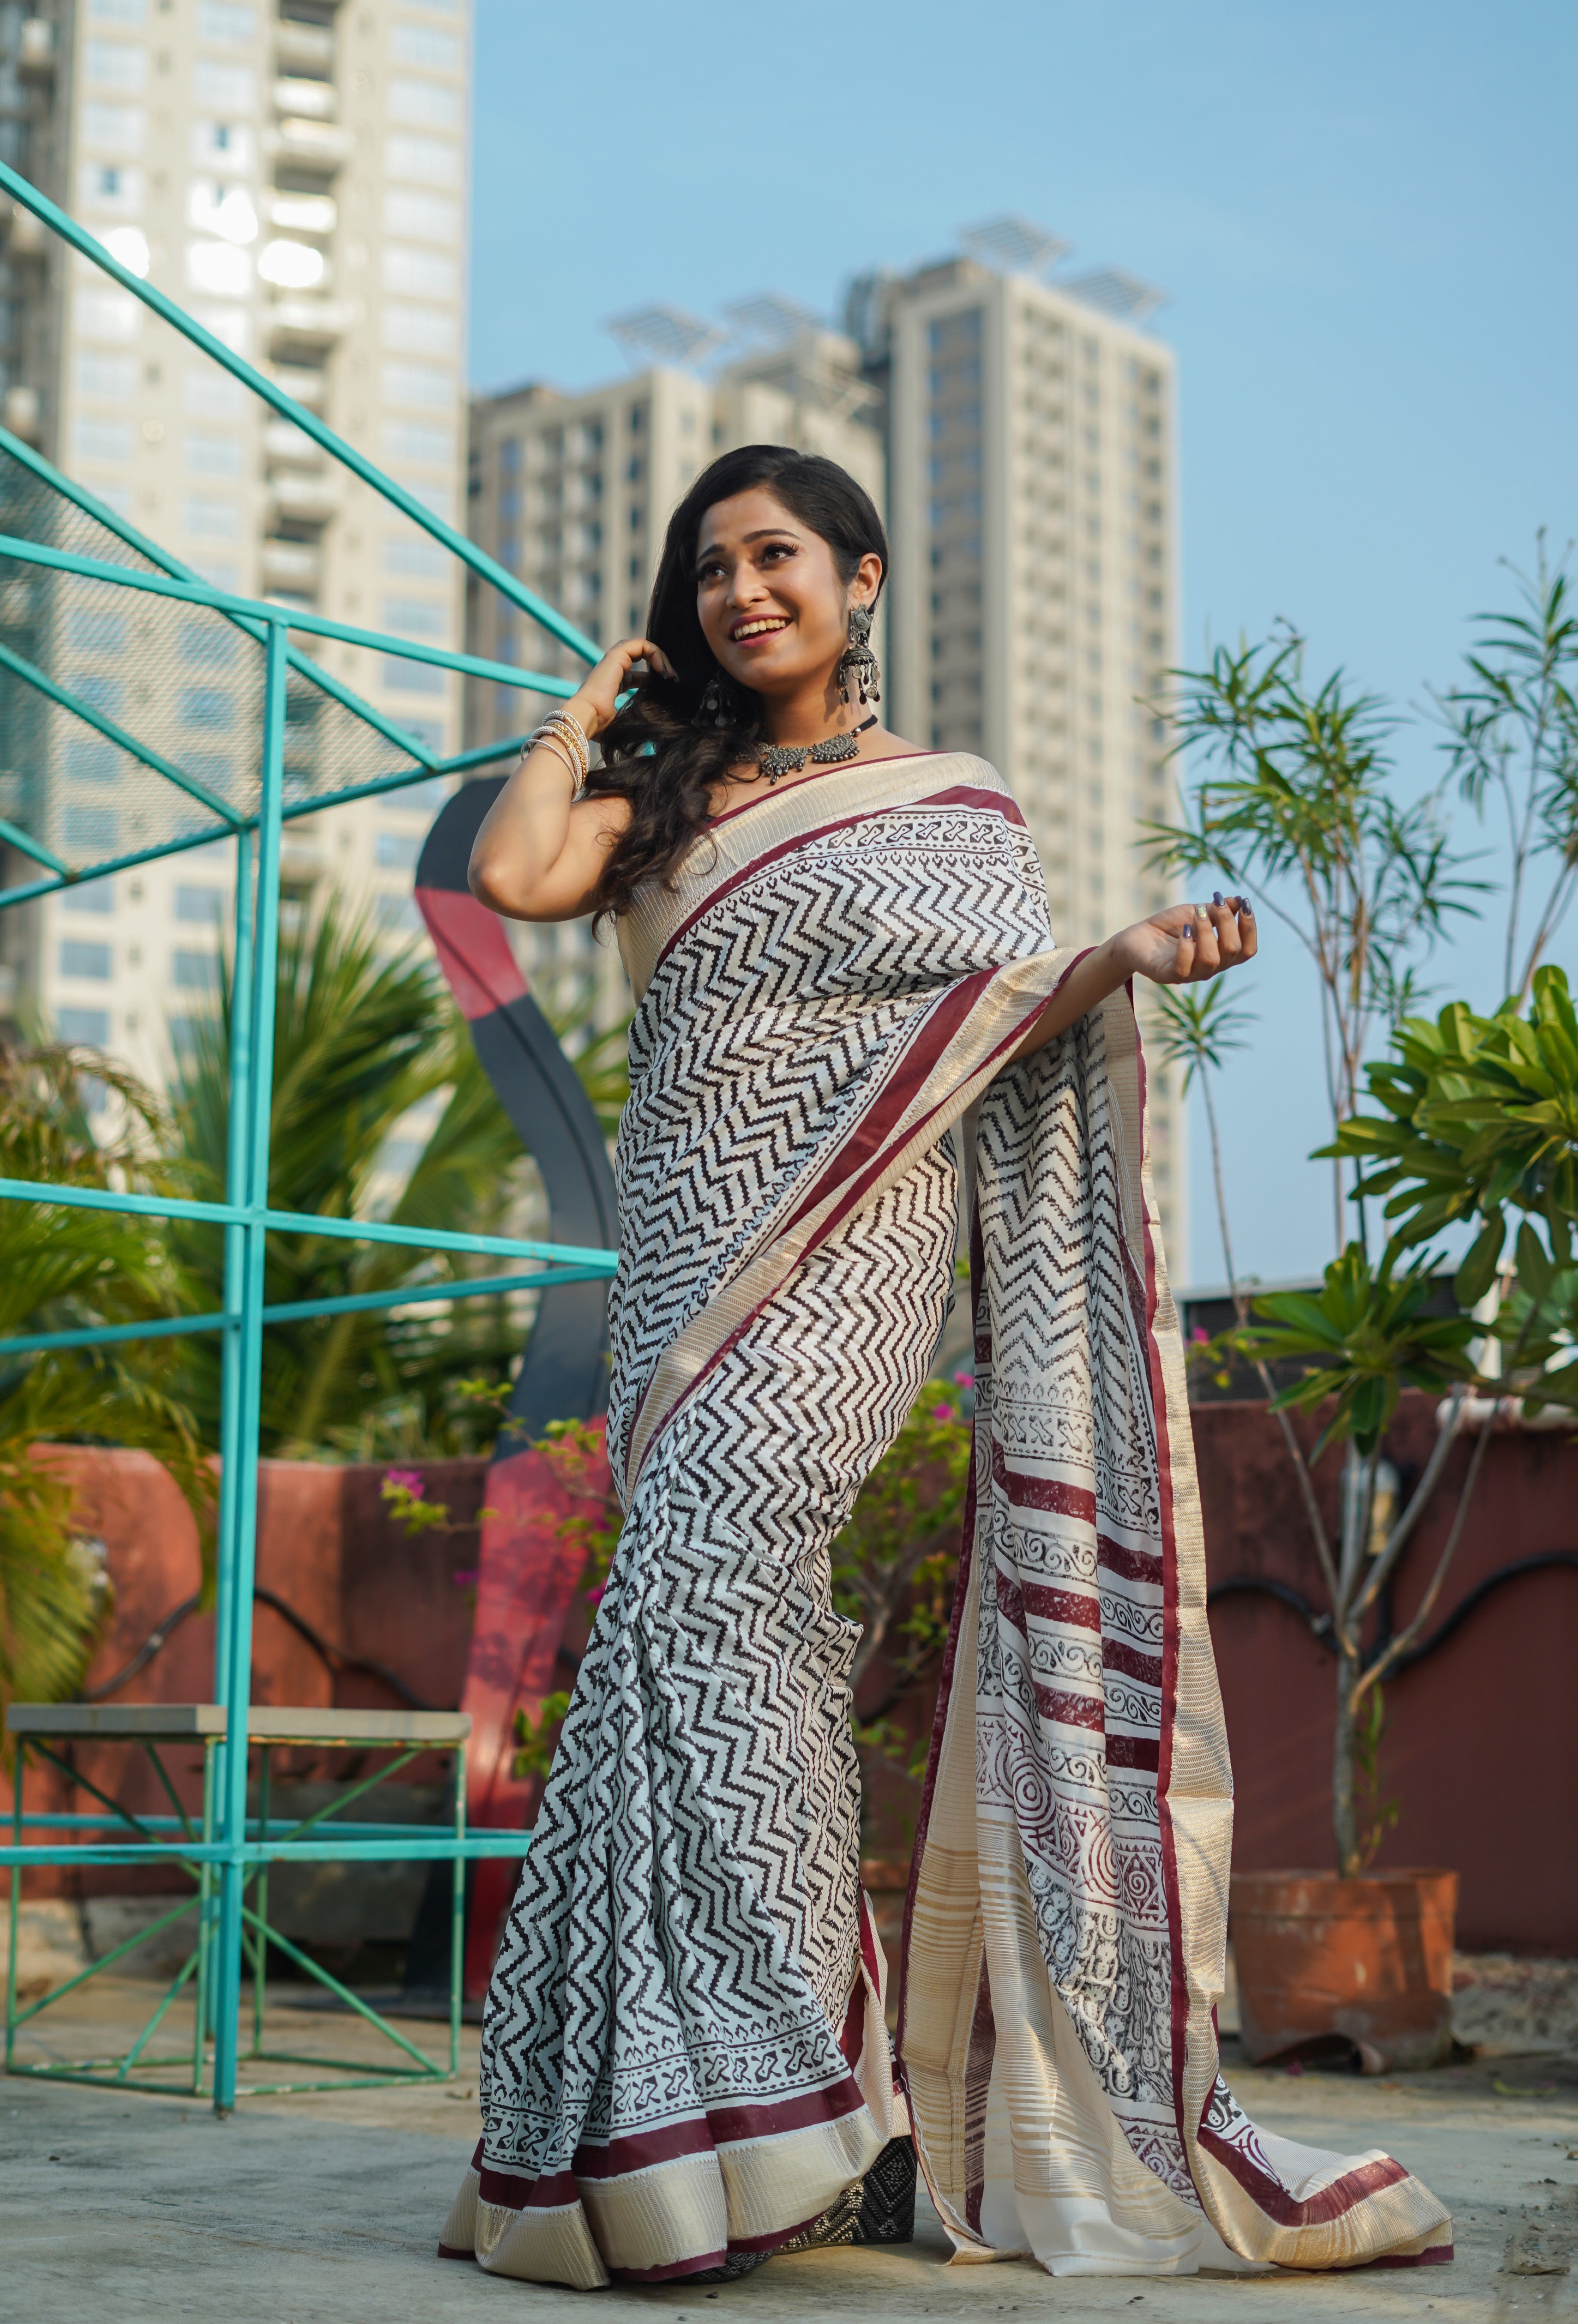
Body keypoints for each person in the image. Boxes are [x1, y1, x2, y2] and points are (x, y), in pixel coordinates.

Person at [437, 446, 1450, 2288]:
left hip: (856, 1253)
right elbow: (513, 868)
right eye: (712, 569)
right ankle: (761, 2112)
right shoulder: (659, 797)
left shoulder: (951, 803)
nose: (744, 592)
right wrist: (594, 708)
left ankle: (758, 2097)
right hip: (680, 1268)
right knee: (689, 1629)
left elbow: (1000, 1003)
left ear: (863, 576)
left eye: (777, 558)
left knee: (721, 1565)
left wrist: (1124, 954)